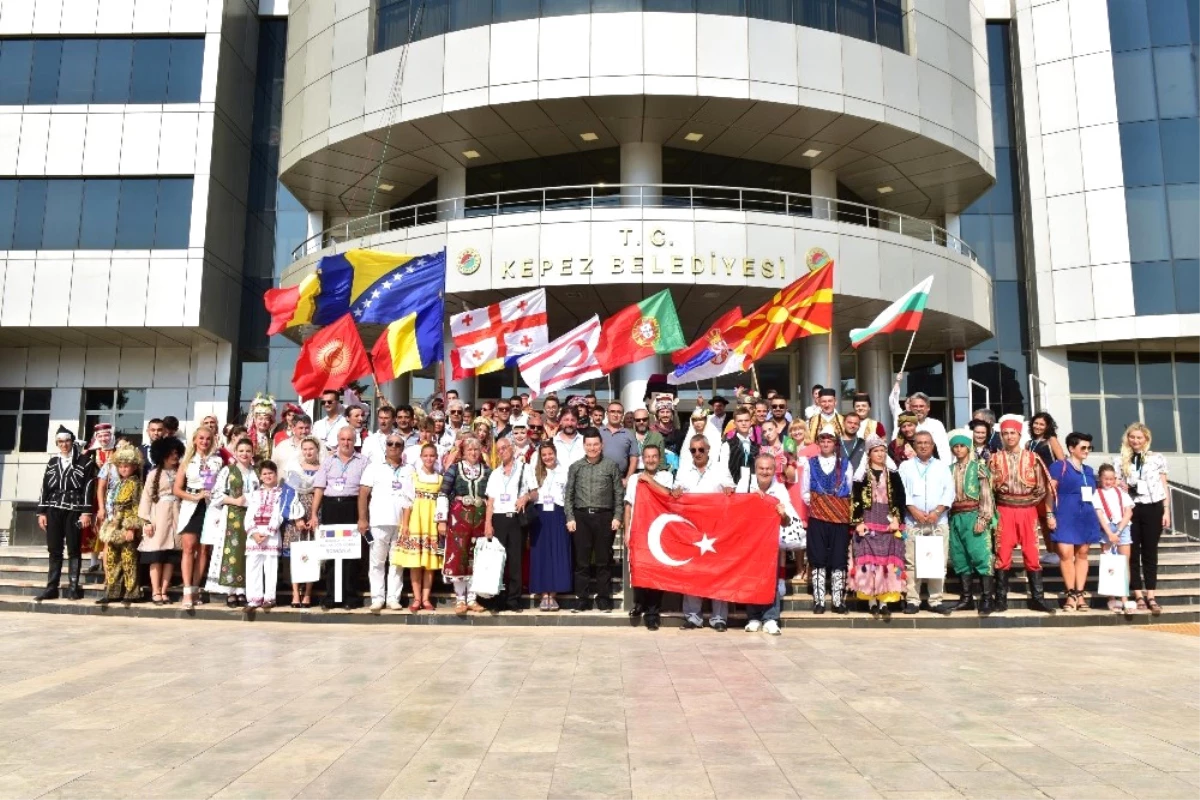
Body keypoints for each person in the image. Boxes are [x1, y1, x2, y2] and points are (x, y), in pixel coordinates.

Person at [989, 418, 1056, 614]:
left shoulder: (1033, 458)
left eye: (1013, 433)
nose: (1009, 436)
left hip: (1028, 510)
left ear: (1019, 435)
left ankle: (1037, 598)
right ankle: (1000, 599)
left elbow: (1042, 487)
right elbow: (989, 487)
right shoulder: (994, 458)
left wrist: (1029, 502)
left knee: (1032, 553)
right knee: (1002, 554)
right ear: (1001, 436)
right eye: (1006, 433)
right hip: (1004, 510)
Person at [673, 434, 736, 628]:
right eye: (693, 450)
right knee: (692, 572)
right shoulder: (684, 469)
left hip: (716, 530)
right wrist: (675, 492)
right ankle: (693, 616)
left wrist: (728, 490)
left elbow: (731, 489)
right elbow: (676, 492)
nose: (697, 453)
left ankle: (718, 618)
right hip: (691, 531)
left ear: (708, 450)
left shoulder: (719, 468)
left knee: (718, 573)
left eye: (701, 449)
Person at [565, 428, 624, 613]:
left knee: (603, 561)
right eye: (589, 445)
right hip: (581, 517)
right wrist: (570, 517)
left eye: (595, 444)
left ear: (601, 445)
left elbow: (618, 494)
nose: (592, 448)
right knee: (581, 561)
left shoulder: (611, 466)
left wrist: (617, 516)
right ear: (584, 446)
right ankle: (582, 599)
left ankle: (604, 598)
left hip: (604, 517)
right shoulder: (575, 467)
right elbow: (569, 495)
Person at [309, 427, 369, 611]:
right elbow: (319, 488)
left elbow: (364, 491)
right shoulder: (328, 461)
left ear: (355, 440)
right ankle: (331, 596)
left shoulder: (363, 461)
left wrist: (362, 517)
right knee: (332, 552)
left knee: (350, 554)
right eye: (342, 439)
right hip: (331, 507)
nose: (346, 442)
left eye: (349, 439)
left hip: (352, 506)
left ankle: (350, 596)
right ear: (338, 440)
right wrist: (313, 514)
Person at [34, 426, 97, 601]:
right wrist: (41, 512)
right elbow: (45, 488)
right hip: (53, 509)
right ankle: (51, 587)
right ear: (57, 443)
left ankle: (73, 587)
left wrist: (86, 512)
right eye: (60, 442)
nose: (64, 445)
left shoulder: (85, 461)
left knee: (74, 549)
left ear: (72, 442)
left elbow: (88, 488)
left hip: (75, 510)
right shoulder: (52, 462)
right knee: (54, 549)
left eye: (67, 441)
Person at [738, 453, 797, 635]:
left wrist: (782, 514)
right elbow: (735, 511)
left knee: (769, 580)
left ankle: (771, 618)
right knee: (751, 579)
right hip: (749, 541)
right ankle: (754, 617)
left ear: (774, 470)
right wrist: (749, 499)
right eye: (761, 468)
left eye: (769, 469)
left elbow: (787, 521)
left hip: (769, 543)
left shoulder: (780, 490)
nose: (765, 472)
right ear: (756, 469)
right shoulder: (745, 484)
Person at [897, 431, 955, 615]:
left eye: (927, 443)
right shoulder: (905, 467)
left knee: (937, 561)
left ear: (933, 446)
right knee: (912, 562)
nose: (923, 446)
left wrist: (937, 512)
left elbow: (949, 492)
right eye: (919, 442)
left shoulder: (942, 467)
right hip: (913, 521)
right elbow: (902, 491)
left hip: (938, 521)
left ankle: (935, 600)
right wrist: (913, 510)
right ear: (914, 445)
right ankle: (913, 599)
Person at [849, 437, 907, 618]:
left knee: (886, 563)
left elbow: (900, 498)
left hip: (887, 522)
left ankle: (884, 602)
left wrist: (897, 519)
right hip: (868, 519)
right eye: (876, 451)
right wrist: (858, 522)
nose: (880, 454)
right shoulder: (862, 475)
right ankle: (871, 601)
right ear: (869, 454)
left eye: (882, 450)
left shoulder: (893, 474)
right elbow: (855, 499)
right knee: (869, 563)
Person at [1117, 422, 1169, 615]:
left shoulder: (1156, 459)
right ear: (1127, 439)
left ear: (1146, 439)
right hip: (1131, 508)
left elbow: (1164, 486)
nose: (1136, 440)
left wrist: (1166, 511)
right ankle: (1137, 594)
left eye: (1139, 437)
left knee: (1150, 552)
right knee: (1133, 552)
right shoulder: (1121, 460)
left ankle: (1151, 595)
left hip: (1153, 507)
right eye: (1132, 437)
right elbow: (1118, 486)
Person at [358, 432, 414, 612]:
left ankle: (393, 598)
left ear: (402, 448)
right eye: (390, 443)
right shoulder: (373, 468)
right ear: (385, 446)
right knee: (377, 562)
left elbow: (411, 499)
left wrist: (407, 524)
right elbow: (363, 494)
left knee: (397, 563)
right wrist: (362, 518)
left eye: (398, 444)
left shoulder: (409, 470)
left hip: (401, 523)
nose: (394, 447)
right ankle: (377, 597)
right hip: (378, 522)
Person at [623, 443, 675, 630]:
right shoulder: (635, 478)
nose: (651, 460)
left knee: (656, 572)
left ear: (659, 458)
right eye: (648, 457)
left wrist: (649, 480)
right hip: (638, 529)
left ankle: (653, 613)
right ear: (643, 459)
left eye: (654, 456)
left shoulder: (666, 476)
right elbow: (628, 505)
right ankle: (639, 604)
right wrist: (627, 530)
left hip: (658, 531)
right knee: (638, 569)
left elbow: (668, 494)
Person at [1049, 432, 1102, 612]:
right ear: (1072, 448)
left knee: (1083, 553)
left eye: (1089, 448)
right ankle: (1070, 593)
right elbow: (1049, 492)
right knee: (1065, 553)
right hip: (1064, 514)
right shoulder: (1059, 466)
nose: (1087, 451)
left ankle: (1079, 593)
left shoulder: (1088, 471)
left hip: (1085, 515)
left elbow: (1094, 495)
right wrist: (1049, 514)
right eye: (1083, 447)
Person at [203, 437, 259, 607]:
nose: (244, 454)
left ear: (252, 453)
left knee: (246, 551)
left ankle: (242, 590)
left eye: (248, 451)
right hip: (232, 514)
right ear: (235, 452)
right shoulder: (228, 471)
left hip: (251, 514)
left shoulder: (255, 472)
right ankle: (230, 591)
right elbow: (216, 494)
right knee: (231, 549)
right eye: (241, 451)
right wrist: (234, 501)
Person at [173, 426, 224, 609]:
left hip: (210, 506)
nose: (204, 442)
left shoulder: (217, 461)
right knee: (188, 547)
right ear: (195, 440)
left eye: (208, 439)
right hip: (191, 504)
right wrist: (194, 496)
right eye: (201, 438)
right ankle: (186, 591)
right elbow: (177, 489)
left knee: (204, 550)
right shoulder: (187, 461)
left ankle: (195, 588)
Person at [803, 431, 853, 614]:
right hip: (817, 517)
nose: (825, 443)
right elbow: (805, 491)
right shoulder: (810, 463)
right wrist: (822, 504)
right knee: (818, 559)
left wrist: (833, 504)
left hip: (839, 518)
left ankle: (838, 601)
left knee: (839, 558)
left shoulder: (845, 464)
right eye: (822, 440)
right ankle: (819, 601)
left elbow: (849, 488)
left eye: (829, 440)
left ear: (835, 443)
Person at [484, 438, 536, 612]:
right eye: (498, 450)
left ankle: (514, 600)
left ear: (512, 448)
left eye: (504, 448)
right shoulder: (494, 473)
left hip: (515, 518)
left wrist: (525, 497)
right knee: (497, 561)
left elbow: (535, 492)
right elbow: (490, 501)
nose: (502, 452)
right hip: (498, 519)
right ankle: (497, 600)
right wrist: (488, 524)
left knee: (515, 561)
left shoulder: (525, 468)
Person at [947, 429, 997, 614]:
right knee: (960, 557)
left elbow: (986, 494)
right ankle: (966, 598)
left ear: (968, 448)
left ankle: (987, 598)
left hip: (974, 514)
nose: (959, 449)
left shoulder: (979, 468)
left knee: (981, 556)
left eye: (962, 446)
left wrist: (983, 518)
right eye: (955, 447)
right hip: (956, 516)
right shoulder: (949, 470)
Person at [440, 437, 491, 614]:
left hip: (480, 518)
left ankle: (472, 598)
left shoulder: (487, 470)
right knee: (458, 555)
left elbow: (492, 496)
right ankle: (460, 599)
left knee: (476, 557)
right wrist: (441, 520)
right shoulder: (454, 469)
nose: (473, 453)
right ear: (463, 452)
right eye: (470, 450)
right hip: (458, 517)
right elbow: (443, 493)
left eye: (476, 450)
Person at [244, 460, 302, 611]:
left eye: (271, 473)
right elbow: (249, 515)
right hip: (254, 534)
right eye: (264, 474)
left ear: (276, 475)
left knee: (270, 566)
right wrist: (254, 532)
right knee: (253, 565)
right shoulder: (255, 494)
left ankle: (269, 598)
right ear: (260, 476)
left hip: (271, 534)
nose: (268, 476)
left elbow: (279, 514)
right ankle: (253, 599)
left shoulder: (281, 493)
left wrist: (269, 531)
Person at [394, 443, 443, 612]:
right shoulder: (413, 477)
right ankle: (416, 598)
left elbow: (442, 503)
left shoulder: (440, 478)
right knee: (415, 562)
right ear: (421, 457)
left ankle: (426, 598)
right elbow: (407, 502)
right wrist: (405, 524)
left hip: (431, 522)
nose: (429, 459)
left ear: (436, 457)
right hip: (416, 520)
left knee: (429, 563)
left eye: (432, 455)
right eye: (426, 455)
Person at [95, 443, 144, 606]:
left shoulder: (136, 483)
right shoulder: (119, 483)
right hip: (114, 523)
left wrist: (132, 527)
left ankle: (132, 592)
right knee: (111, 558)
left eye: (127, 466)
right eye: (121, 466)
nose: (123, 469)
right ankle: (112, 591)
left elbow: (137, 506)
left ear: (134, 467)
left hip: (126, 524)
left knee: (128, 558)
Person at [138, 437, 185, 605]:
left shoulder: (180, 472)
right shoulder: (153, 474)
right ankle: (155, 590)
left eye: (176, 453)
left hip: (177, 515)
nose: (174, 457)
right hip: (159, 515)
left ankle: (164, 590)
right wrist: (147, 521)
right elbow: (146, 498)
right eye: (170, 453)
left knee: (171, 556)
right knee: (156, 555)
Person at [530, 442, 573, 612]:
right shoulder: (536, 472)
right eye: (544, 455)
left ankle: (553, 594)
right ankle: (543, 594)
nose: (548, 457)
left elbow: (568, 495)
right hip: (540, 514)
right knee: (541, 554)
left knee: (557, 553)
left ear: (555, 453)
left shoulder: (565, 471)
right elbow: (531, 493)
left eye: (550, 454)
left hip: (558, 513)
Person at [281, 435, 322, 609]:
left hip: (315, 512)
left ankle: (307, 594)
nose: (308, 452)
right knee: (296, 556)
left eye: (311, 449)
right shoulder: (294, 469)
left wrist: (315, 516)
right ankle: (295, 593)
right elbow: (287, 493)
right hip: (296, 514)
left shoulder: (322, 469)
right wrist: (296, 517)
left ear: (317, 450)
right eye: (305, 449)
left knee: (312, 554)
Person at [1092, 463, 1136, 614]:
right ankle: (1111, 597)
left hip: (1121, 527)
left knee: (1124, 562)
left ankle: (1124, 597)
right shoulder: (1097, 493)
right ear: (1100, 478)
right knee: (1109, 564)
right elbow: (1099, 514)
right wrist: (1109, 533)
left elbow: (1128, 511)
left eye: (1111, 479)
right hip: (1107, 529)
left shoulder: (1121, 492)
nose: (1109, 482)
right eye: (1106, 479)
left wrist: (1119, 530)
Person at [1026, 412, 1065, 565]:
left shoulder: (1051, 440)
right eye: (1036, 423)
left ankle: (1058, 551)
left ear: (1048, 426)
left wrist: (1056, 482)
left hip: (1051, 484)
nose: (1038, 426)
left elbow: (1062, 462)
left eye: (1042, 424)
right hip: (1036, 485)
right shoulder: (1029, 444)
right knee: (1042, 520)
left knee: (1053, 518)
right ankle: (1050, 551)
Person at [889, 388, 951, 461]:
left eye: (921, 406)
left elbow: (944, 450)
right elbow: (896, 449)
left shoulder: (937, 425)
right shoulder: (904, 425)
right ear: (910, 408)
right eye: (915, 406)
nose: (918, 409)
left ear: (928, 408)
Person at [719, 408, 760, 488]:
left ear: (751, 422)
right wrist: (731, 486)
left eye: (746, 420)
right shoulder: (727, 445)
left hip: (752, 490)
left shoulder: (755, 446)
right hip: (734, 489)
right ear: (734, 423)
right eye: (740, 421)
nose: (743, 423)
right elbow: (723, 469)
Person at [599, 401, 638, 484]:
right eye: (612, 411)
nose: (615, 415)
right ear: (607, 414)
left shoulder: (629, 434)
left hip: (620, 480)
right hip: (599, 479)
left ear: (622, 415)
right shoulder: (598, 432)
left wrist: (628, 479)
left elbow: (634, 458)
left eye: (619, 412)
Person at [246, 393, 276, 464]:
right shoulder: (247, 437)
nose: (263, 422)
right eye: (260, 419)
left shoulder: (272, 439)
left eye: (266, 419)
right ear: (254, 420)